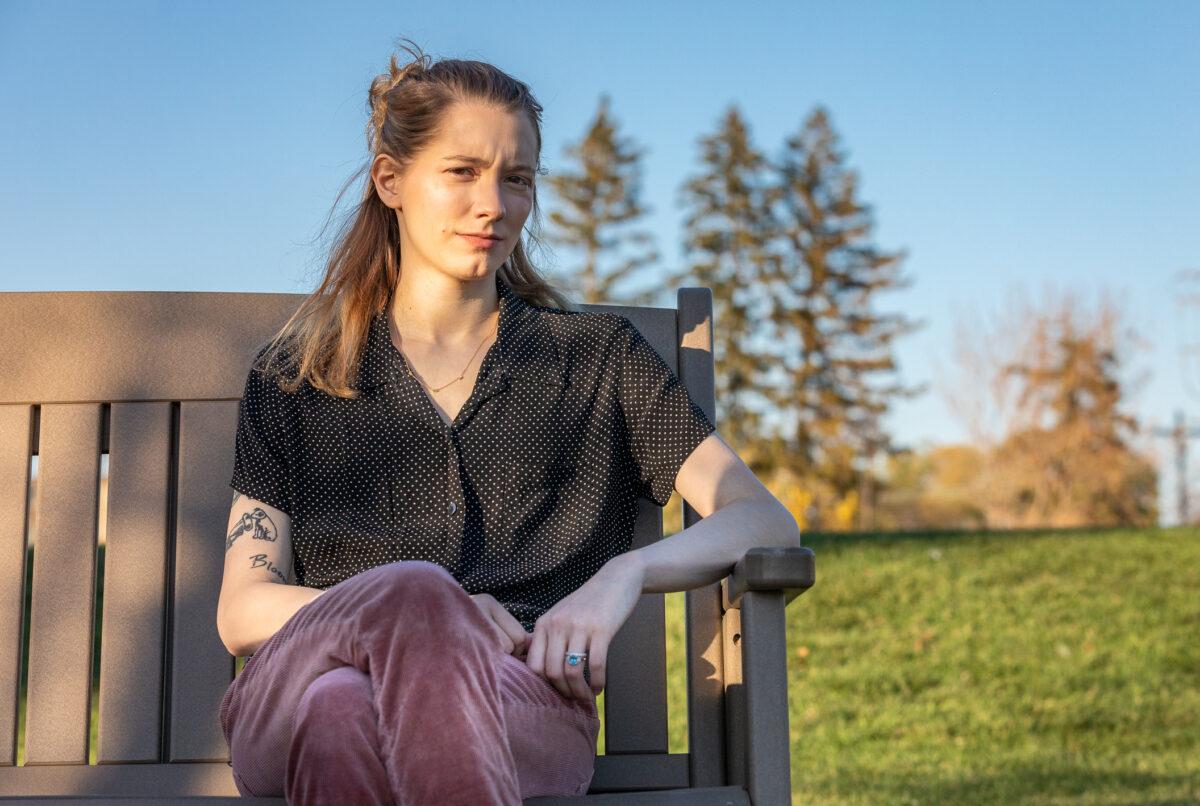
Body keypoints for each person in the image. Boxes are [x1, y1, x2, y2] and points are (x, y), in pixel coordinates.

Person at [216, 38, 802, 805]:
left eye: (516, 179)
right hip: (294, 693)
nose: (494, 205)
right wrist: (432, 610)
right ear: (390, 181)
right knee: (368, 651)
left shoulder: (596, 361)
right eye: (461, 172)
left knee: (345, 715)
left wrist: (620, 575)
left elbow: (763, 519)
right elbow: (243, 610)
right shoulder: (299, 376)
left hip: (517, 704)